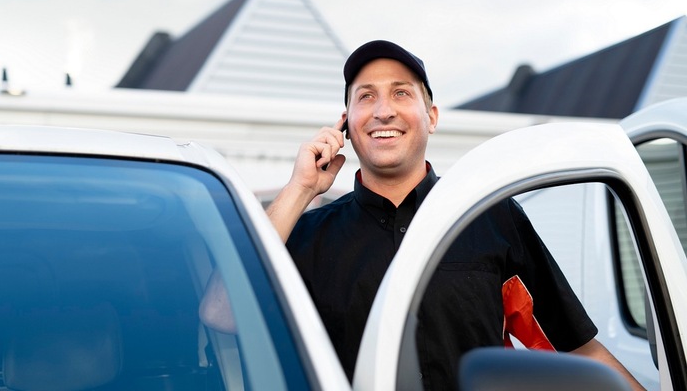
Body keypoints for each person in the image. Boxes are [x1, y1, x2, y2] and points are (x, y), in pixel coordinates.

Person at [261, 40, 644, 390]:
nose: (383, 111)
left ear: (431, 116)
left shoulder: (492, 216)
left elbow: (576, 348)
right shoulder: (305, 235)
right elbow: (221, 313)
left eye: (400, 93)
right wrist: (300, 189)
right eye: (366, 97)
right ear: (345, 123)